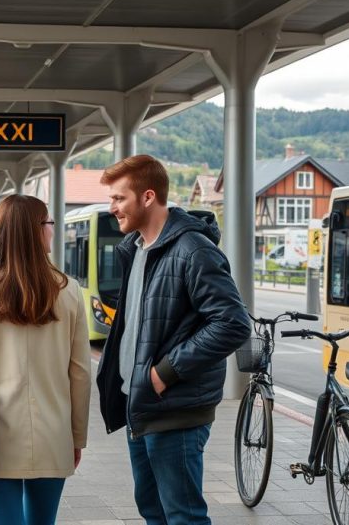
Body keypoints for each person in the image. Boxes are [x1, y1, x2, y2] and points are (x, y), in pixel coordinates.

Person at [96, 155, 251, 525]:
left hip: (174, 408)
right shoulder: (135, 249)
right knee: (153, 511)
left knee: (183, 517)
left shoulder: (192, 249)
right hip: (143, 404)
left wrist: (165, 372)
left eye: (119, 198)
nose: (112, 207)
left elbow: (232, 322)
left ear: (148, 197)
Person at [0, 195, 92, 525]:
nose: (52, 231)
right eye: (49, 223)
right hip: (54, 437)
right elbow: (80, 373)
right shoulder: (68, 291)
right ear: (36, 231)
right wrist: (76, 437)